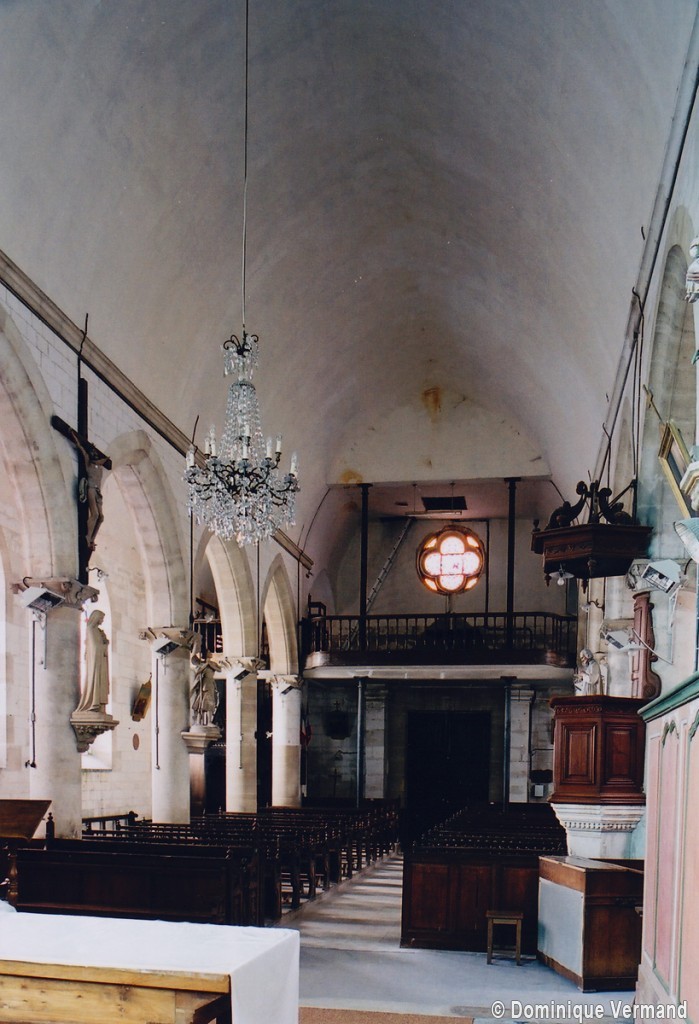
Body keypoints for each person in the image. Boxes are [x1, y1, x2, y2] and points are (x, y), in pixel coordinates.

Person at [70, 430, 109, 550]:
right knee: (95, 514)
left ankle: (92, 538)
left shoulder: (100, 466)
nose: (94, 454)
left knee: (101, 517)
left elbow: (106, 459)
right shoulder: (89, 462)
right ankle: (87, 537)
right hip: (91, 489)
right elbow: (81, 448)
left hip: (98, 492)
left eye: (95, 453)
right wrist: (74, 437)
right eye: (92, 453)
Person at [76, 610, 110, 713]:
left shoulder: (98, 631)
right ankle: (92, 703)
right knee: (95, 681)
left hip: (100, 662)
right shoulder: (91, 629)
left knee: (101, 683)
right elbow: (94, 647)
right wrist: (104, 646)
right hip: (95, 663)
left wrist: (105, 642)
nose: (102, 621)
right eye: (101, 618)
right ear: (96, 617)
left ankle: (99, 706)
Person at [190, 654, 219, 726]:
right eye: (208, 652)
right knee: (202, 704)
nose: (210, 653)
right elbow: (198, 673)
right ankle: (198, 721)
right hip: (205, 686)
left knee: (210, 704)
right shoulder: (202, 665)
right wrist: (205, 665)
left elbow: (219, 669)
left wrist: (209, 664)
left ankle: (209, 721)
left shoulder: (212, 664)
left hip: (210, 684)